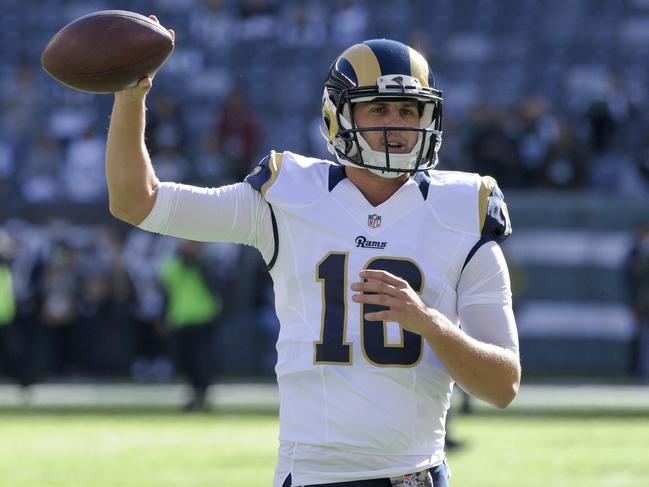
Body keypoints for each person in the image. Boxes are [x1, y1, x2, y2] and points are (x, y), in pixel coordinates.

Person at [105, 17, 521, 486]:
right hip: (311, 476)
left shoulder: (463, 209)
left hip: (415, 474)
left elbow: (503, 385)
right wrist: (130, 95)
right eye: (379, 110)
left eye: (409, 112)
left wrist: (431, 324)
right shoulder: (288, 197)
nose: (397, 126)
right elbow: (137, 201)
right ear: (337, 116)